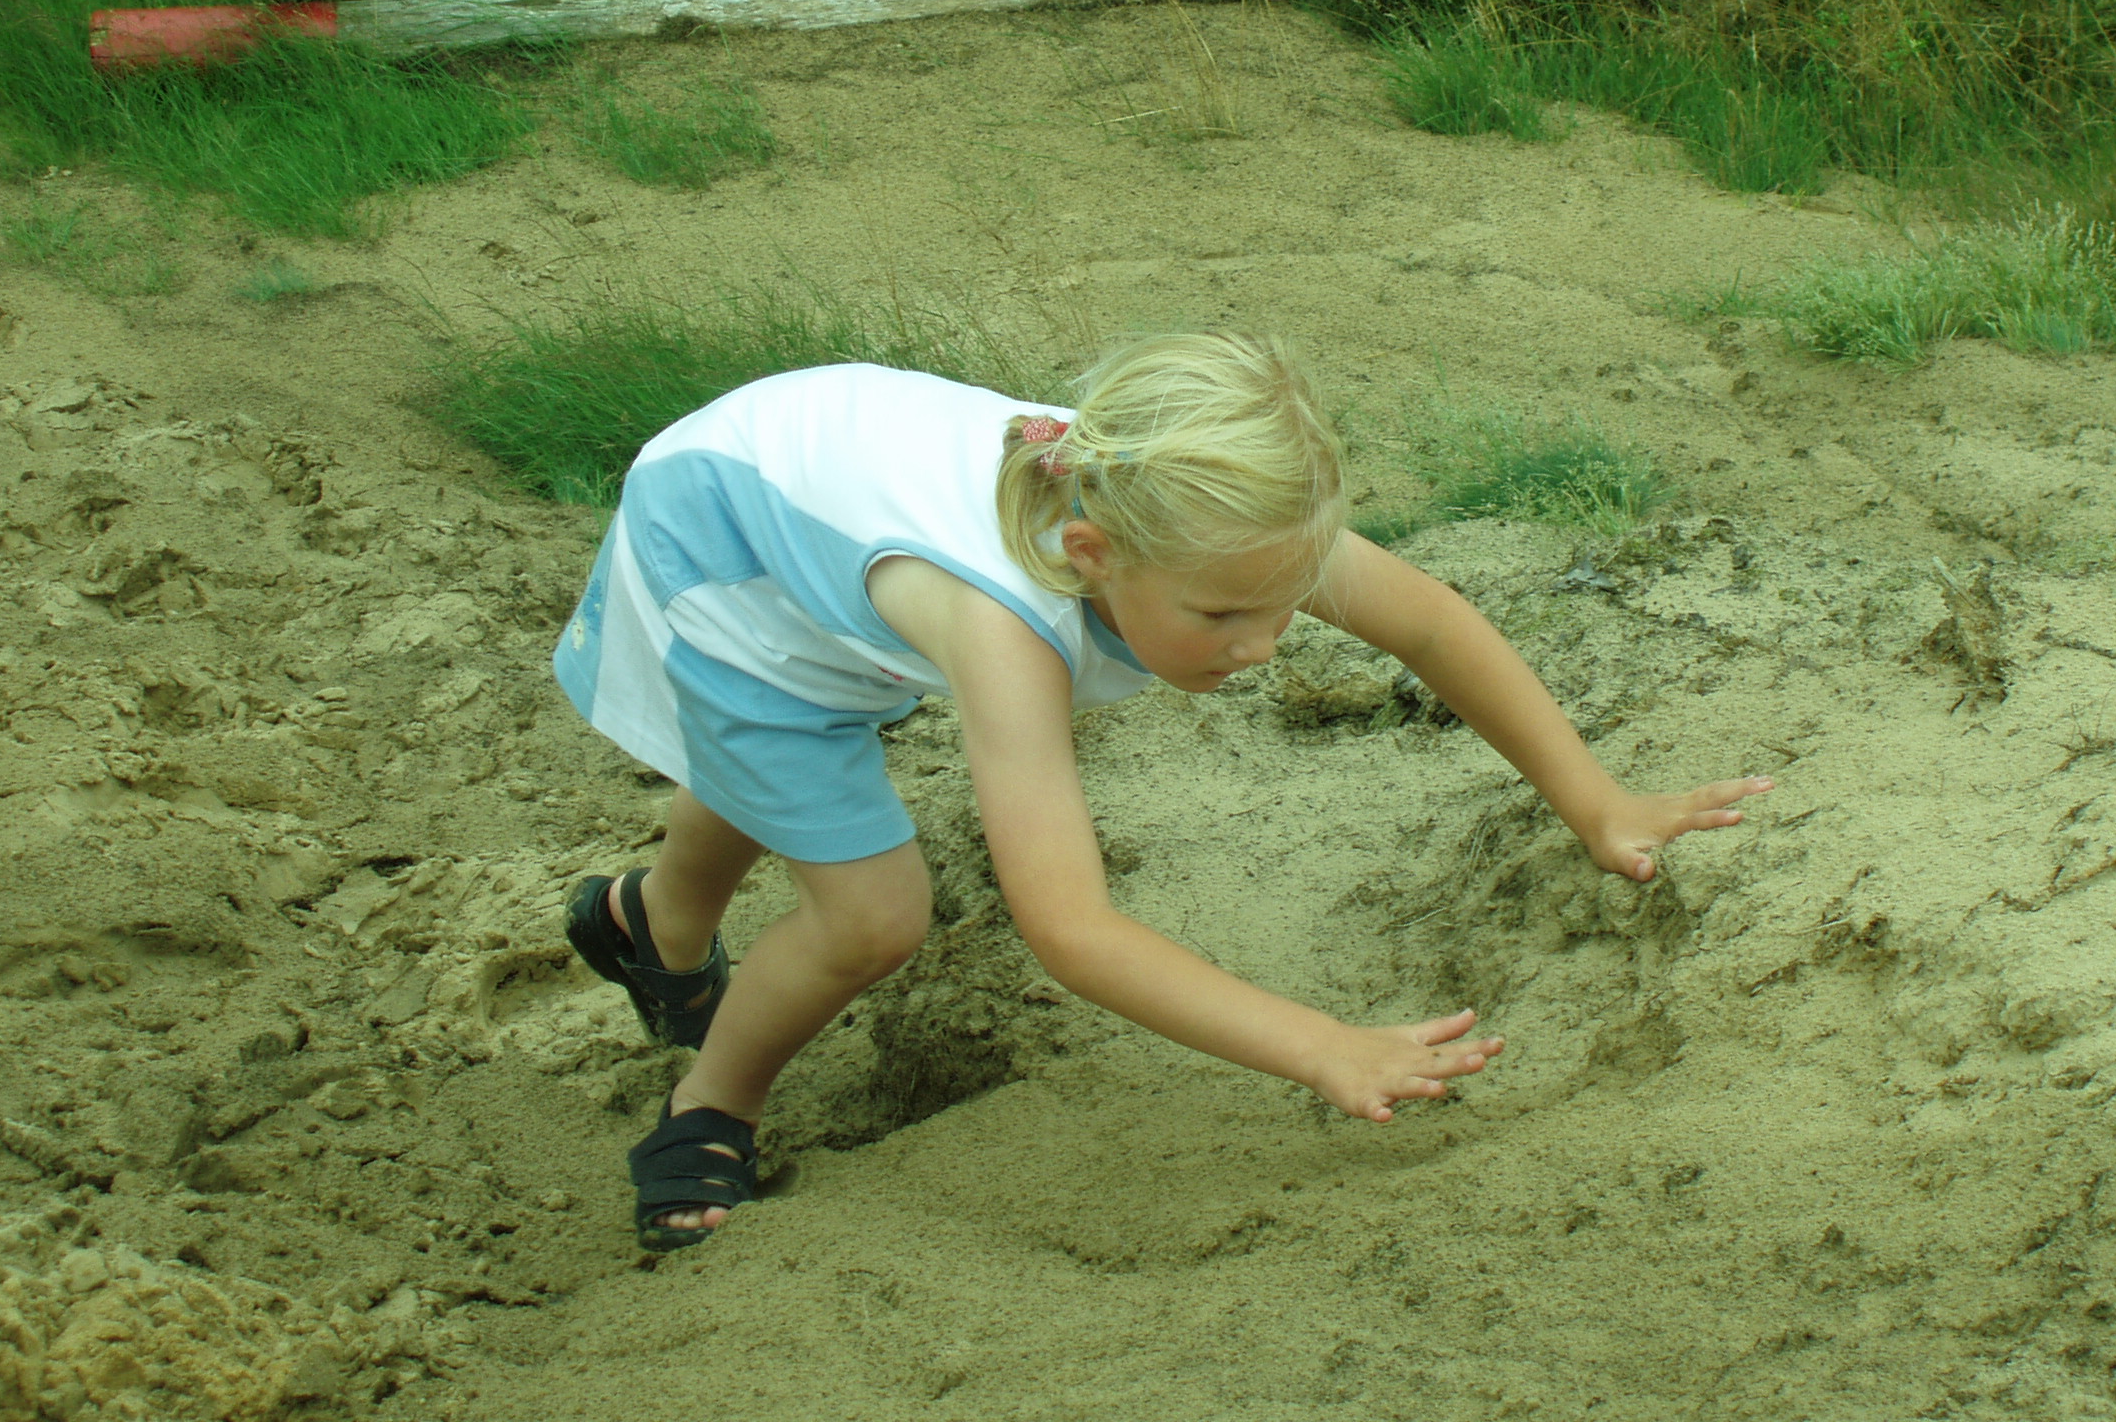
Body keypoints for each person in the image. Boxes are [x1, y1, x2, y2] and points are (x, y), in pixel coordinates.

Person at [554, 332, 1770, 1250]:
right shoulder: (1006, 630)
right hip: (724, 548)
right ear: (1093, 554)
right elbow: (1071, 928)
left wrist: (1597, 802)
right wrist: (1319, 1046)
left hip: (811, 479)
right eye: (1225, 615)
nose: (1264, 645)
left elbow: (1430, 623)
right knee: (869, 907)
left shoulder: (1213, 523)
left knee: (790, 768)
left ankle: (652, 926)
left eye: (1284, 604)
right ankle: (711, 1105)